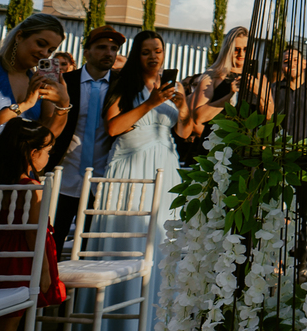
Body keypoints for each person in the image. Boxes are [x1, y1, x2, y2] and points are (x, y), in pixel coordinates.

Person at [93, 30, 192, 331]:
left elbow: (185, 132)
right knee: (129, 239)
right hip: (132, 169)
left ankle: (156, 321)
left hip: (166, 168)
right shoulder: (123, 84)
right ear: (137, 54)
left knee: (162, 243)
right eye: (146, 51)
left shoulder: (173, 86)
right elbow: (113, 128)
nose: (153, 56)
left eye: (157, 51)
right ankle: (117, 320)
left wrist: (183, 106)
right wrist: (151, 102)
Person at [46, 26, 119, 251]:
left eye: (114, 49)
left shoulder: (122, 85)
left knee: (92, 248)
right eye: (102, 47)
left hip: (102, 178)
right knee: (52, 243)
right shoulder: (65, 81)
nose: (109, 53)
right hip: (64, 175)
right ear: (86, 52)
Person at [0, 118, 66, 330]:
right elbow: (33, 233)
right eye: (47, 151)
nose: (49, 156)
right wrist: (44, 272)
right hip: (22, 258)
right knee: (10, 320)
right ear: (33, 153)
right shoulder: (32, 188)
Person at [0, 14, 71, 173]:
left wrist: (63, 105)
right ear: (19, 36)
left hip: (19, 179)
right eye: (41, 44)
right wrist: (24, 106)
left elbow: (47, 136)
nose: (45, 53)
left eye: (51, 50)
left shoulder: (39, 82)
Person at [187, 27, 249, 162]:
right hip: (216, 146)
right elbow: (199, 117)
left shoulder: (257, 78)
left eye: (245, 49)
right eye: (236, 49)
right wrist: (229, 97)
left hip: (246, 147)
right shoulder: (213, 76)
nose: (241, 53)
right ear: (227, 49)